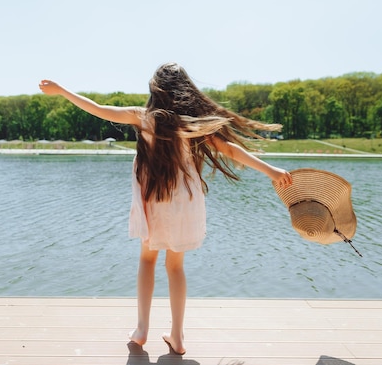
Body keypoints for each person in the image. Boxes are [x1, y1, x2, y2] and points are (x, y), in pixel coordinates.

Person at [39, 62, 292, 355]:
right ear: (185, 90)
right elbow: (231, 150)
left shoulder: (143, 117)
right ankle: (178, 336)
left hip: (155, 196)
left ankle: (142, 329)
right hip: (184, 199)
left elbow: (97, 108)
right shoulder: (191, 123)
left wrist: (60, 91)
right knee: (176, 266)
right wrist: (271, 170)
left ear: (156, 90)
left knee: (147, 260)